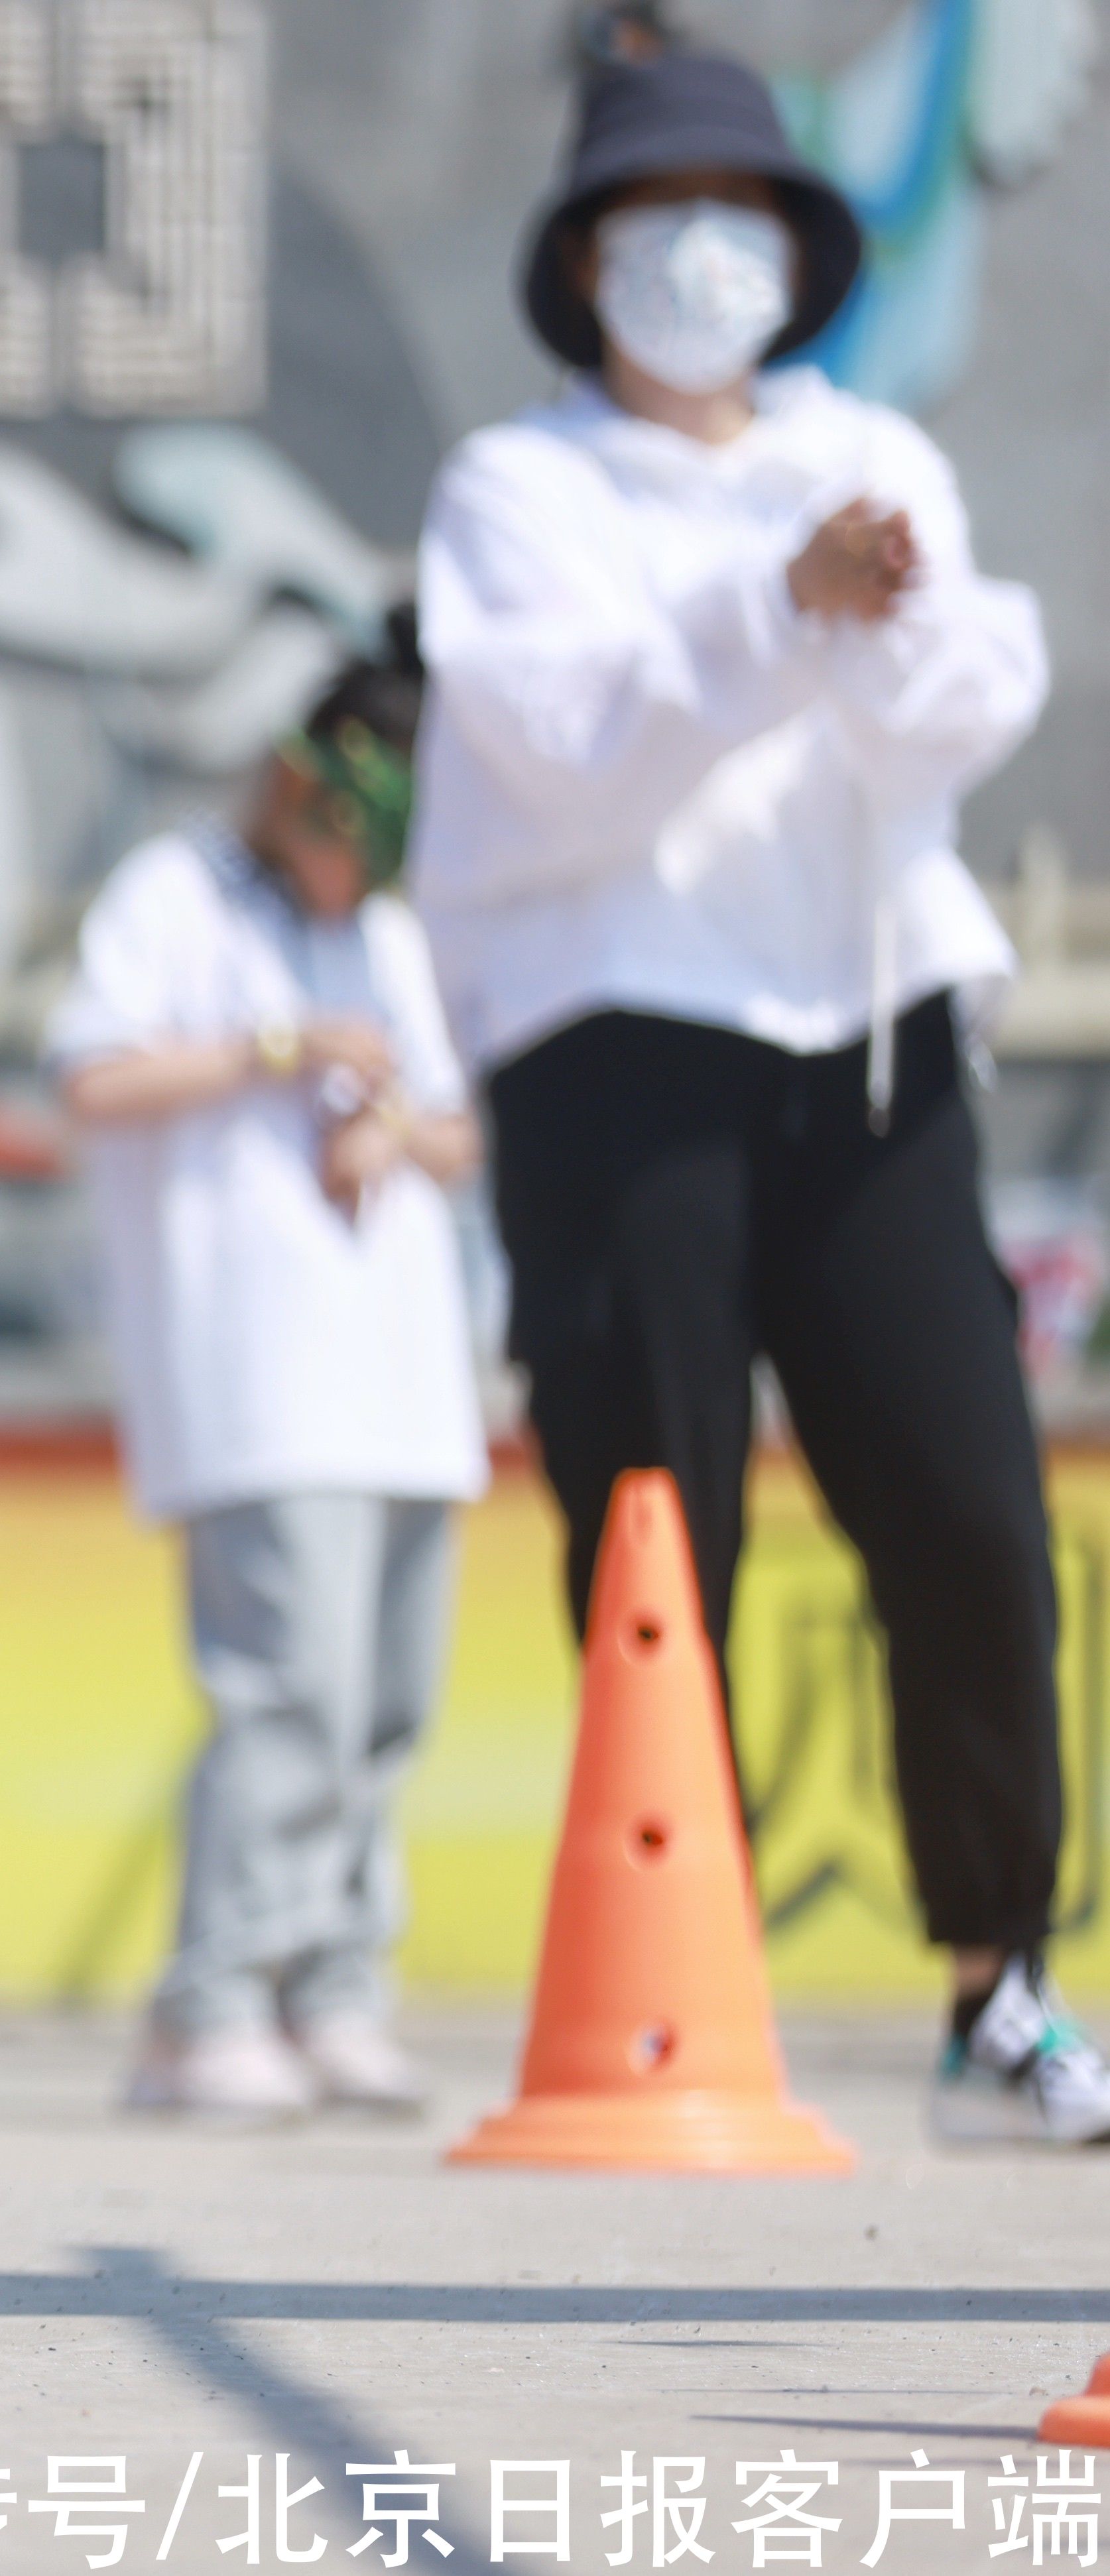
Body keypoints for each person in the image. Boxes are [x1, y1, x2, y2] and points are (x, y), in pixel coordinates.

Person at [409, 46, 1093, 2140]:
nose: (700, 252)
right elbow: (568, 745)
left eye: (739, 210)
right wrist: (775, 606)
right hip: (619, 1051)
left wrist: (869, 613)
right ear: (586, 255)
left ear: (799, 249)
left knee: (971, 1506)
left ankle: (999, 1982)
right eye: (654, 212)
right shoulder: (519, 490)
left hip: (864, 1046)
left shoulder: (863, 445)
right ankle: (668, 1988)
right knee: (654, 1522)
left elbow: (960, 700)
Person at [53, 627, 485, 2121]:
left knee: (382, 1704)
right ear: (300, 783)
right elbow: (92, 1072)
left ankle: (337, 1984)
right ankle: (212, 1996)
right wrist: (275, 1047)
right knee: (285, 1691)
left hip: (405, 1379)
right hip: (255, 1368)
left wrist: (393, 1127)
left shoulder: (391, 930)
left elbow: (455, 1120)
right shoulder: (175, 894)